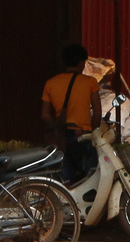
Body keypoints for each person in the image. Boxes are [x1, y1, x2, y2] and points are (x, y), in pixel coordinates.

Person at [41, 43, 101, 184]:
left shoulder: (51, 83)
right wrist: (92, 133)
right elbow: (97, 113)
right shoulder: (90, 82)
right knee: (90, 179)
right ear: (81, 63)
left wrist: (57, 126)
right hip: (82, 135)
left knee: (65, 180)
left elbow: (44, 115)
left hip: (61, 137)